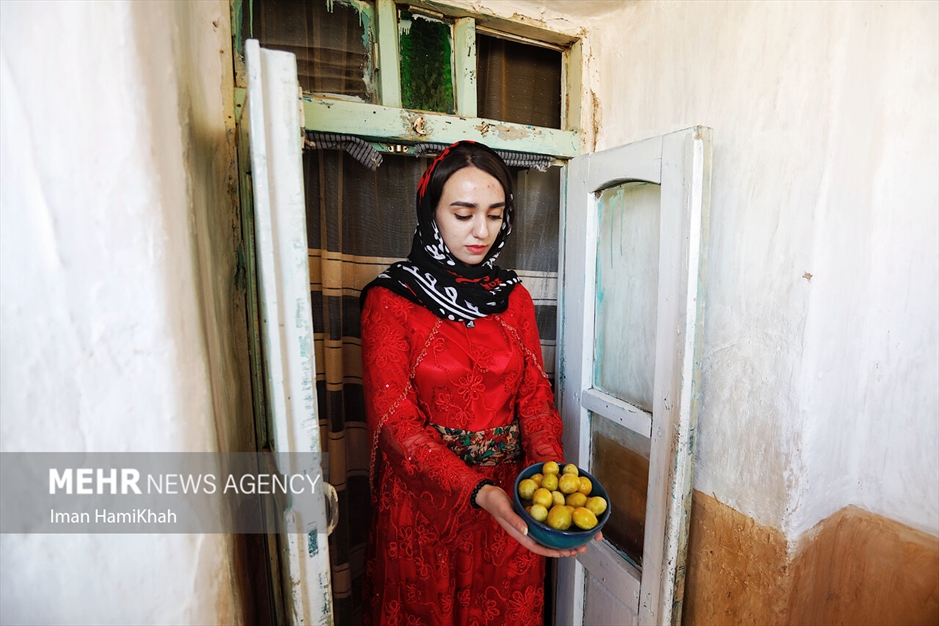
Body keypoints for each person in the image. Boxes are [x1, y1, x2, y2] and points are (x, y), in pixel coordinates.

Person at [360, 140, 597, 625]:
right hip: (427, 510)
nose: (481, 231)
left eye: (494, 214)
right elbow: (396, 425)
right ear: (432, 212)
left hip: (509, 507)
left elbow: (533, 398)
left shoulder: (513, 299)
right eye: (463, 213)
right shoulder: (392, 300)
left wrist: (547, 478)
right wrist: (476, 491)